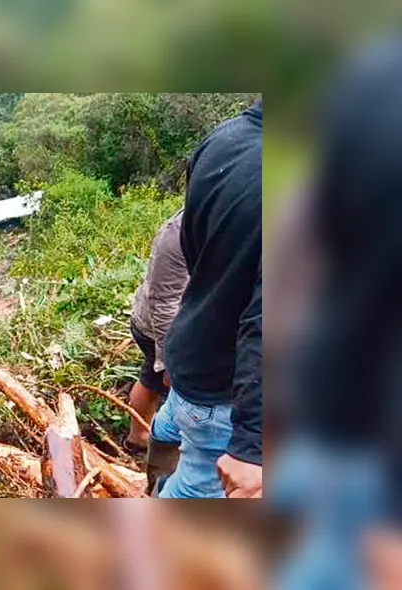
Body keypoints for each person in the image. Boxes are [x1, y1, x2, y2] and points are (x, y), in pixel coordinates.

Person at [149, 99, 262, 498]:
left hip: (193, 345)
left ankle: (155, 468)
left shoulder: (222, 139)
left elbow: (195, 245)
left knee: (173, 420)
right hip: (225, 388)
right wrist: (252, 447)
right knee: (197, 492)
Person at [125, 209, 187, 456]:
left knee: (149, 378)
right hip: (155, 327)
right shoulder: (177, 233)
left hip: (160, 320)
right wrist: (169, 360)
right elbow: (164, 304)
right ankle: (151, 441)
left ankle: (137, 437)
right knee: (162, 380)